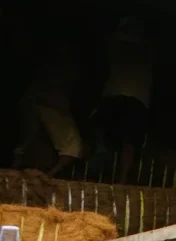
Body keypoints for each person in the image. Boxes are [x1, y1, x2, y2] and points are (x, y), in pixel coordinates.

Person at [91, 16, 153, 184]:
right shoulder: (147, 48)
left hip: (119, 97)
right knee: (129, 141)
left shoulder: (116, 43)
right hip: (134, 100)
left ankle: (101, 150)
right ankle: (121, 178)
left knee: (104, 124)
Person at [12, 40, 86, 177]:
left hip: (51, 107)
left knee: (67, 147)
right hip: (45, 106)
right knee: (36, 140)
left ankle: (43, 173)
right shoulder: (48, 73)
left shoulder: (61, 72)